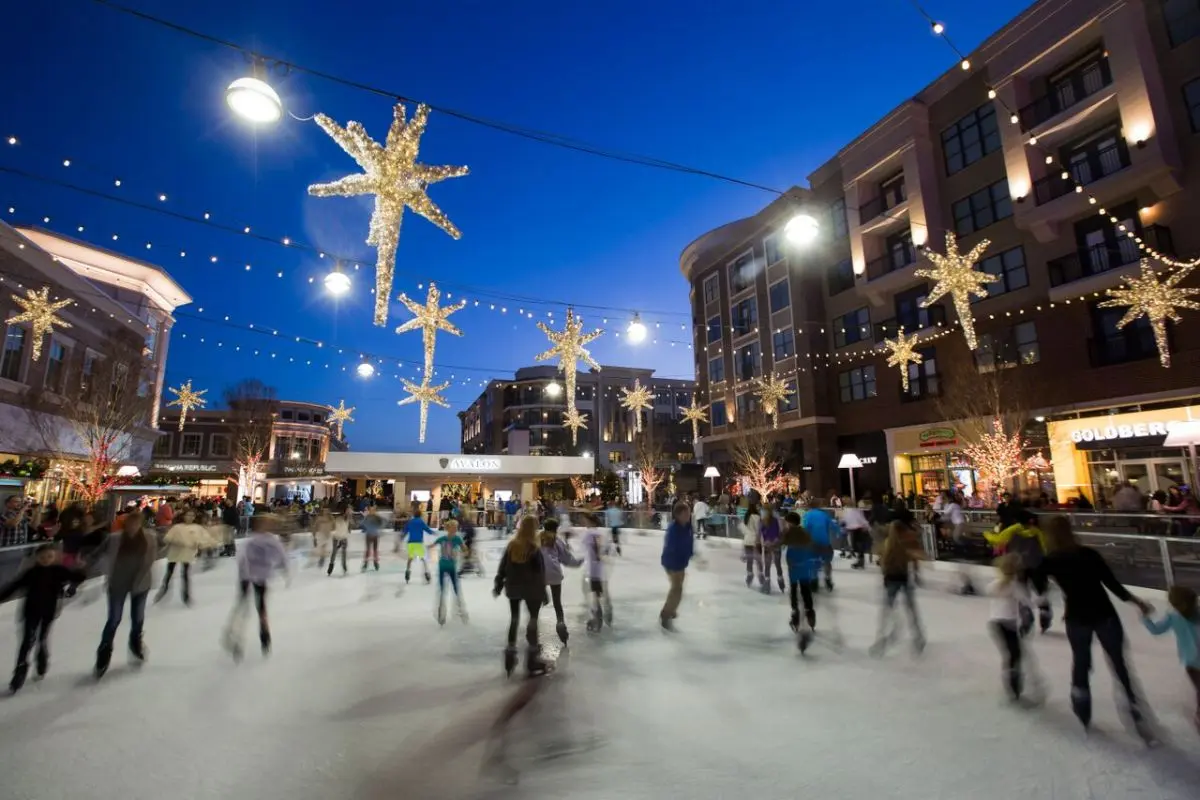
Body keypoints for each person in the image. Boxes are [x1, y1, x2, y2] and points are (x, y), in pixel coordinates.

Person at [1035, 515, 1153, 734]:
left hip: (1077, 617)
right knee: (1118, 662)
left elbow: (1038, 585)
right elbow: (1112, 584)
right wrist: (1137, 602)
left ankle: (1081, 702)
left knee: (1081, 661)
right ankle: (1131, 703)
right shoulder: (1088, 554)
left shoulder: (1050, 560)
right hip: (1104, 613)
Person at [0, 544, 87, 692]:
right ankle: (20, 671)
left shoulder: (58, 571)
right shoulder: (31, 573)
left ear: (54, 557)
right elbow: (14, 586)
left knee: (42, 638)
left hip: (48, 611)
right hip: (31, 611)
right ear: (37, 558)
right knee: (27, 641)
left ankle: (42, 659)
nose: (45, 559)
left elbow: (77, 577)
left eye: (49, 556)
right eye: (42, 557)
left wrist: (81, 568)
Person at [94, 512, 159, 678]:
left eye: (136, 523)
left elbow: (151, 558)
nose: (133, 526)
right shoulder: (115, 539)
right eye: (130, 523)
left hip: (140, 583)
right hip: (118, 583)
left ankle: (135, 642)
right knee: (114, 619)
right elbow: (98, 553)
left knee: (138, 618)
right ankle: (104, 651)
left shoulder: (149, 538)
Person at [224, 516, 289, 660]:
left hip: (260, 577)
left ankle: (264, 635)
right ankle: (236, 635)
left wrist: (284, 569)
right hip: (247, 577)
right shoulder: (252, 540)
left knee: (261, 608)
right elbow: (241, 557)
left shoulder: (271, 541)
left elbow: (281, 556)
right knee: (243, 606)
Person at [493, 516, 549, 676]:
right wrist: (543, 592)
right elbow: (539, 573)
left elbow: (502, 567)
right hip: (531, 589)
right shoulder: (534, 549)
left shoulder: (512, 545)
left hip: (513, 588)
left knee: (514, 619)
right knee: (533, 620)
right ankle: (532, 657)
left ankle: (510, 653)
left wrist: (498, 584)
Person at [1140, 585, 1200, 731]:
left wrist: (1145, 617)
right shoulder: (1195, 615)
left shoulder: (1173, 617)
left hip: (1190, 661)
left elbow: (1156, 630)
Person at [987, 553, 1044, 704]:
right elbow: (1029, 603)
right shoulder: (1015, 587)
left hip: (995, 624)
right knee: (1015, 655)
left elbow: (989, 591)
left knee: (1010, 654)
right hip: (1008, 625)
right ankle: (1013, 686)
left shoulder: (994, 584)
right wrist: (1042, 601)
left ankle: (1011, 684)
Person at [985, 509, 1052, 634]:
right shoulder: (1036, 531)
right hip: (1037, 565)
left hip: (1019, 566)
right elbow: (1045, 548)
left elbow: (998, 540)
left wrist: (987, 534)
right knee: (1040, 591)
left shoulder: (1012, 530)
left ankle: (1026, 614)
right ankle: (1044, 610)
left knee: (1022, 592)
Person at [869, 520, 926, 657]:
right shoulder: (905, 545)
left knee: (887, 610)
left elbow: (882, 563)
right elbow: (914, 559)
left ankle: (882, 638)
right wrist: (916, 574)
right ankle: (918, 637)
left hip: (891, 580)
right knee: (911, 609)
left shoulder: (887, 544)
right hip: (903, 578)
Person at [782, 512, 820, 651]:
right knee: (805, 590)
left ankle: (795, 612)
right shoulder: (804, 533)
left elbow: (780, 542)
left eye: (787, 522)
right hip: (804, 566)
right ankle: (809, 612)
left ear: (791, 522)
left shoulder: (790, 533)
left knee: (794, 590)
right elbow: (812, 546)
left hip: (794, 566)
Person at [540, 519, 582, 641]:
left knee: (540, 586)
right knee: (557, 602)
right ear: (556, 529)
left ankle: (543, 596)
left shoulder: (537, 539)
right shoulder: (557, 541)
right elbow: (566, 558)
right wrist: (578, 562)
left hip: (540, 573)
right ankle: (560, 623)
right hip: (555, 572)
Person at [155, 509, 207, 605]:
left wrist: (198, 545)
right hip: (175, 554)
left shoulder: (197, 528)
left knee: (185, 574)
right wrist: (177, 541)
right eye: (188, 515)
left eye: (192, 515)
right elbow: (167, 538)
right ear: (184, 516)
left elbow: (202, 540)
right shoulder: (177, 527)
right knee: (169, 573)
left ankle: (186, 595)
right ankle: (164, 590)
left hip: (187, 555)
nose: (190, 517)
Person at [659, 502, 695, 631]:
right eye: (685, 513)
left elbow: (690, 542)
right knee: (677, 589)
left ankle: (671, 608)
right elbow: (671, 547)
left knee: (677, 588)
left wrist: (690, 554)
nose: (688, 515)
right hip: (672, 563)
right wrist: (682, 554)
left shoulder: (688, 526)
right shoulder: (673, 529)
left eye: (689, 512)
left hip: (682, 563)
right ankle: (666, 613)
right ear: (678, 515)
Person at [431, 520, 468, 624]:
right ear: (448, 528)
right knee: (442, 590)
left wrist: (465, 551)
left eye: (456, 527)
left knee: (456, 589)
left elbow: (465, 549)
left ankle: (460, 609)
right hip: (442, 566)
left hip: (452, 567)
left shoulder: (457, 539)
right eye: (453, 527)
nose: (455, 529)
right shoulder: (442, 539)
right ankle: (441, 612)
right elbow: (432, 545)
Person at [580, 518, 613, 631]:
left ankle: (597, 620)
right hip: (602, 570)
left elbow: (584, 551)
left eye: (587, 522)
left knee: (595, 595)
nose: (585, 523)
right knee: (602, 592)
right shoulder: (603, 534)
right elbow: (608, 550)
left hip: (592, 570)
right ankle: (607, 613)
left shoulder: (587, 534)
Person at [801, 503, 838, 591]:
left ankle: (814, 581)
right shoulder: (824, 514)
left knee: (813, 561)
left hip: (813, 543)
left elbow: (805, 528)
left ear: (809, 507)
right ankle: (828, 579)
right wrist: (838, 532)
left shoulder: (807, 515)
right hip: (825, 542)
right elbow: (833, 525)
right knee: (827, 561)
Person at [402, 511, 435, 584]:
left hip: (411, 542)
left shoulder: (410, 522)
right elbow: (427, 530)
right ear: (420, 515)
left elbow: (405, 531)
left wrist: (402, 537)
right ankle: (426, 572)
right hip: (419, 542)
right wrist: (433, 533)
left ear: (414, 515)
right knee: (423, 558)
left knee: (410, 558)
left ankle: (407, 571)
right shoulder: (421, 522)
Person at [841, 496, 871, 571]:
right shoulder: (847, 510)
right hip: (853, 530)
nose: (845, 502)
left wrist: (866, 526)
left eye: (846, 501)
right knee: (856, 546)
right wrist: (843, 524)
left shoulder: (856, 510)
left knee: (859, 546)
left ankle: (861, 562)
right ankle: (860, 561)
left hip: (859, 529)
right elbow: (845, 519)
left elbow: (861, 519)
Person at [759, 504, 784, 593]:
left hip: (772, 546)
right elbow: (762, 534)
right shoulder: (764, 521)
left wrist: (768, 542)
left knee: (771, 565)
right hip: (772, 545)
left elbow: (779, 533)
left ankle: (769, 584)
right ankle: (779, 581)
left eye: (763, 511)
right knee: (774, 565)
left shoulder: (773, 521)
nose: (762, 512)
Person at [741, 500, 763, 590]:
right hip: (755, 540)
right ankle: (761, 576)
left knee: (749, 560)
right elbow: (758, 530)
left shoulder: (746, 517)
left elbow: (744, 529)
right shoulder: (756, 517)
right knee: (758, 560)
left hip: (747, 540)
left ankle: (749, 575)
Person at [327, 506, 351, 576]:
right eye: (348, 510)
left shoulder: (348, 518)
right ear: (345, 511)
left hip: (343, 538)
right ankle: (331, 565)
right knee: (334, 552)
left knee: (344, 553)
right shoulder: (339, 518)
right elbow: (335, 526)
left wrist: (348, 529)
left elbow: (347, 527)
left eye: (349, 511)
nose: (349, 512)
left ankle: (344, 565)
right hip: (336, 537)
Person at [361, 504, 383, 572]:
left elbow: (381, 523)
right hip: (369, 535)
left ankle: (375, 563)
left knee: (375, 550)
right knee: (368, 550)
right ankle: (365, 564)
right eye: (371, 510)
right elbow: (363, 523)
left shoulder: (377, 517)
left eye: (373, 510)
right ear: (369, 511)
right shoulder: (367, 517)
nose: (372, 511)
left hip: (375, 535)